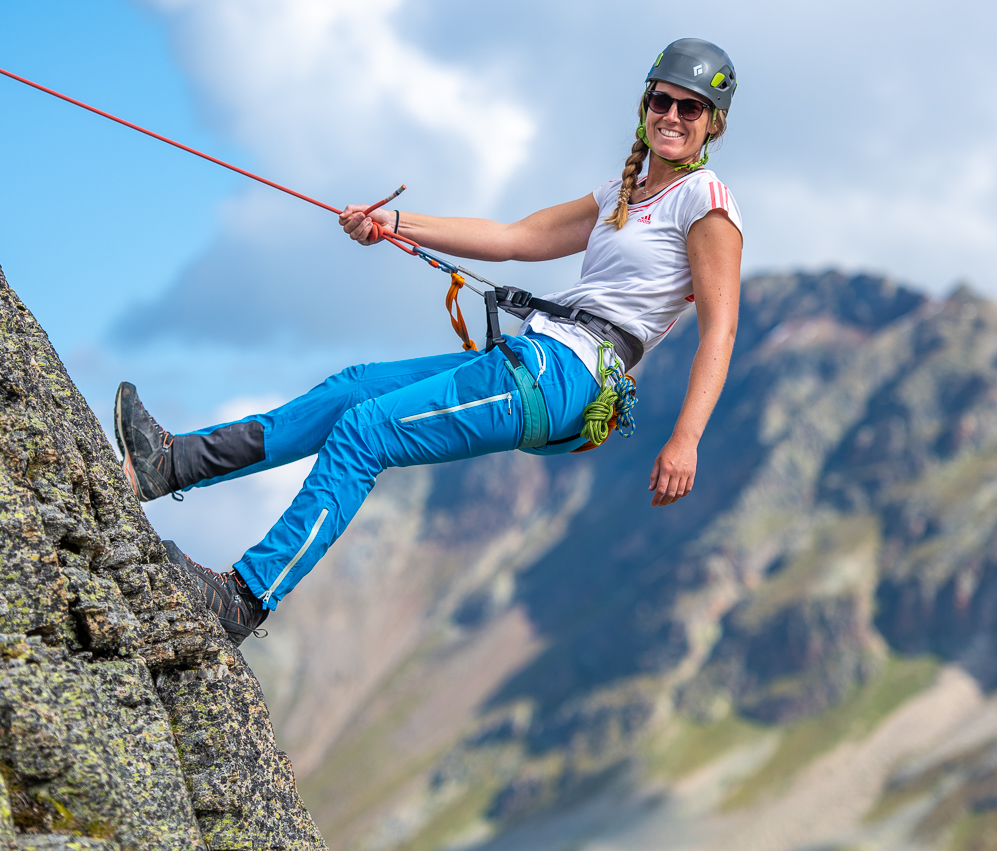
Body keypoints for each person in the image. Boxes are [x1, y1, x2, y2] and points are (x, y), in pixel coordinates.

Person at [114, 39, 744, 645]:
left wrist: (685, 439)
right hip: (538, 357)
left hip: (567, 378)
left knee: (367, 432)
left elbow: (721, 329)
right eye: (661, 100)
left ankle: (244, 598)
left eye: (690, 108)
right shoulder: (621, 194)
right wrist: (395, 223)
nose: (671, 115)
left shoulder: (705, 202)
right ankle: (171, 463)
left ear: (712, 124)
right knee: (353, 389)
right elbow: (513, 238)